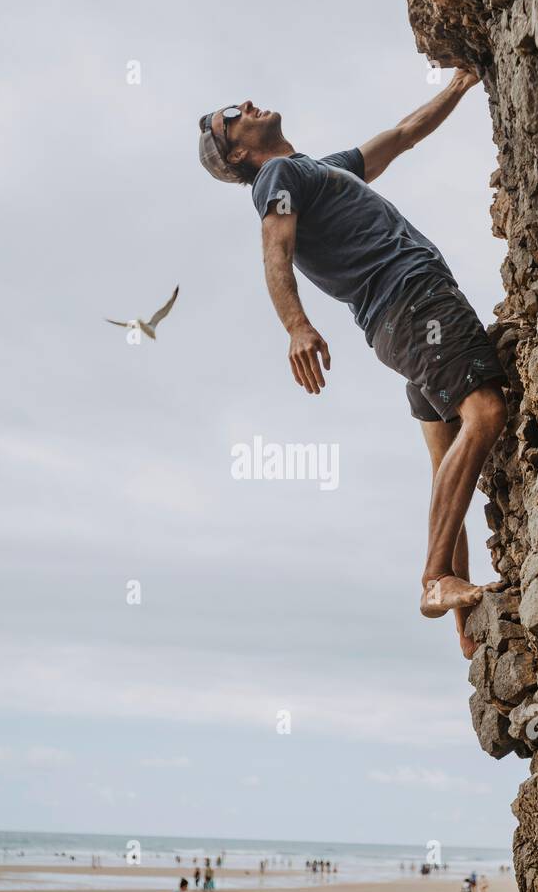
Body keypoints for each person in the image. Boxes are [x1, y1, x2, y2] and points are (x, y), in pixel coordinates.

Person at [198, 77, 507, 659]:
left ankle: (465, 622)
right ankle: (436, 578)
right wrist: (296, 325)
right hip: (411, 301)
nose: (244, 105)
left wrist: (463, 81)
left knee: (447, 456)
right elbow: (276, 246)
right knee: (486, 413)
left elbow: (402, 135)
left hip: (397, 326)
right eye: (230, 117)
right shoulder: (276, 178)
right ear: (237, 152)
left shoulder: (316, 170)